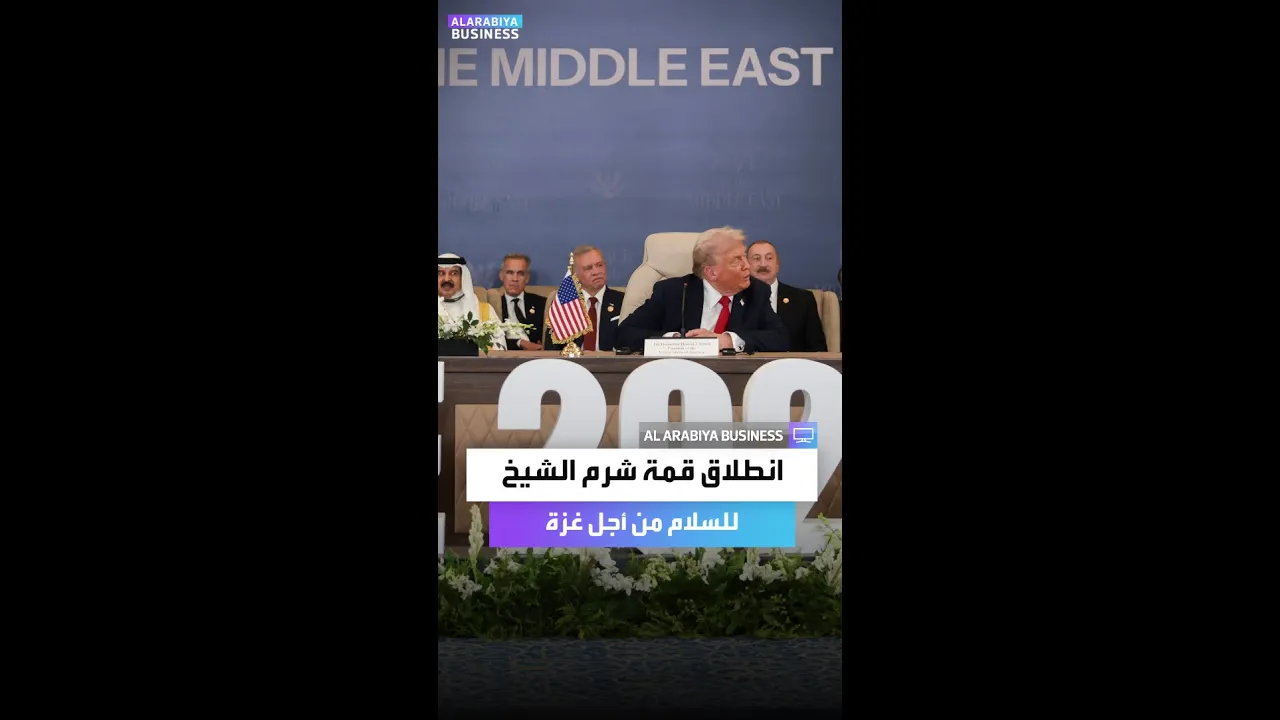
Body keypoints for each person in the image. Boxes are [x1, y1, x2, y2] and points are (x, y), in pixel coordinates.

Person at [618, 226, 789, 353]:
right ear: (711, 272)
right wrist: (674, 343)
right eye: (736, 260)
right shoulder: (673, 292)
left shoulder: (755, 292)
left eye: (744, 256)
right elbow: (624, 333)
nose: (747, 266)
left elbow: (780, 338)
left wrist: (727, 341)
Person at [746, 240, 827, 352]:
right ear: (746, 265)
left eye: (769, 258)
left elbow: (818, 349)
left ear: (778, 265)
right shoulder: (736, 298)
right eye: (756, 258)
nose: (763, 264)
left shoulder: (803, 300)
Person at [548, 245, 625, 352]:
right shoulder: (565, 303)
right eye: (588, 268)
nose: (596, 272)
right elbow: (551, 348)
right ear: (575, 274)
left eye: (599, 265)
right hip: (572, 361)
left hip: (610, 361)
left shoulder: (623, 301)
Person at [438, 253, 504, 350]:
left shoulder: (485, 311)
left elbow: (500, 349)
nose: (447, 279)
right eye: (441, 273)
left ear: (462, 278)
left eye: (454, 273)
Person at [496, 253, 544, 350]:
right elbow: (491, 339)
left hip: (537, 354)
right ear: (501, 276)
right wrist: (519, 343)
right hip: (504, 355)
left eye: (520, 273)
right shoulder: (493, 305)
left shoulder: (542, 303)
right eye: (510, 273)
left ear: (527, 278)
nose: (515, 279)